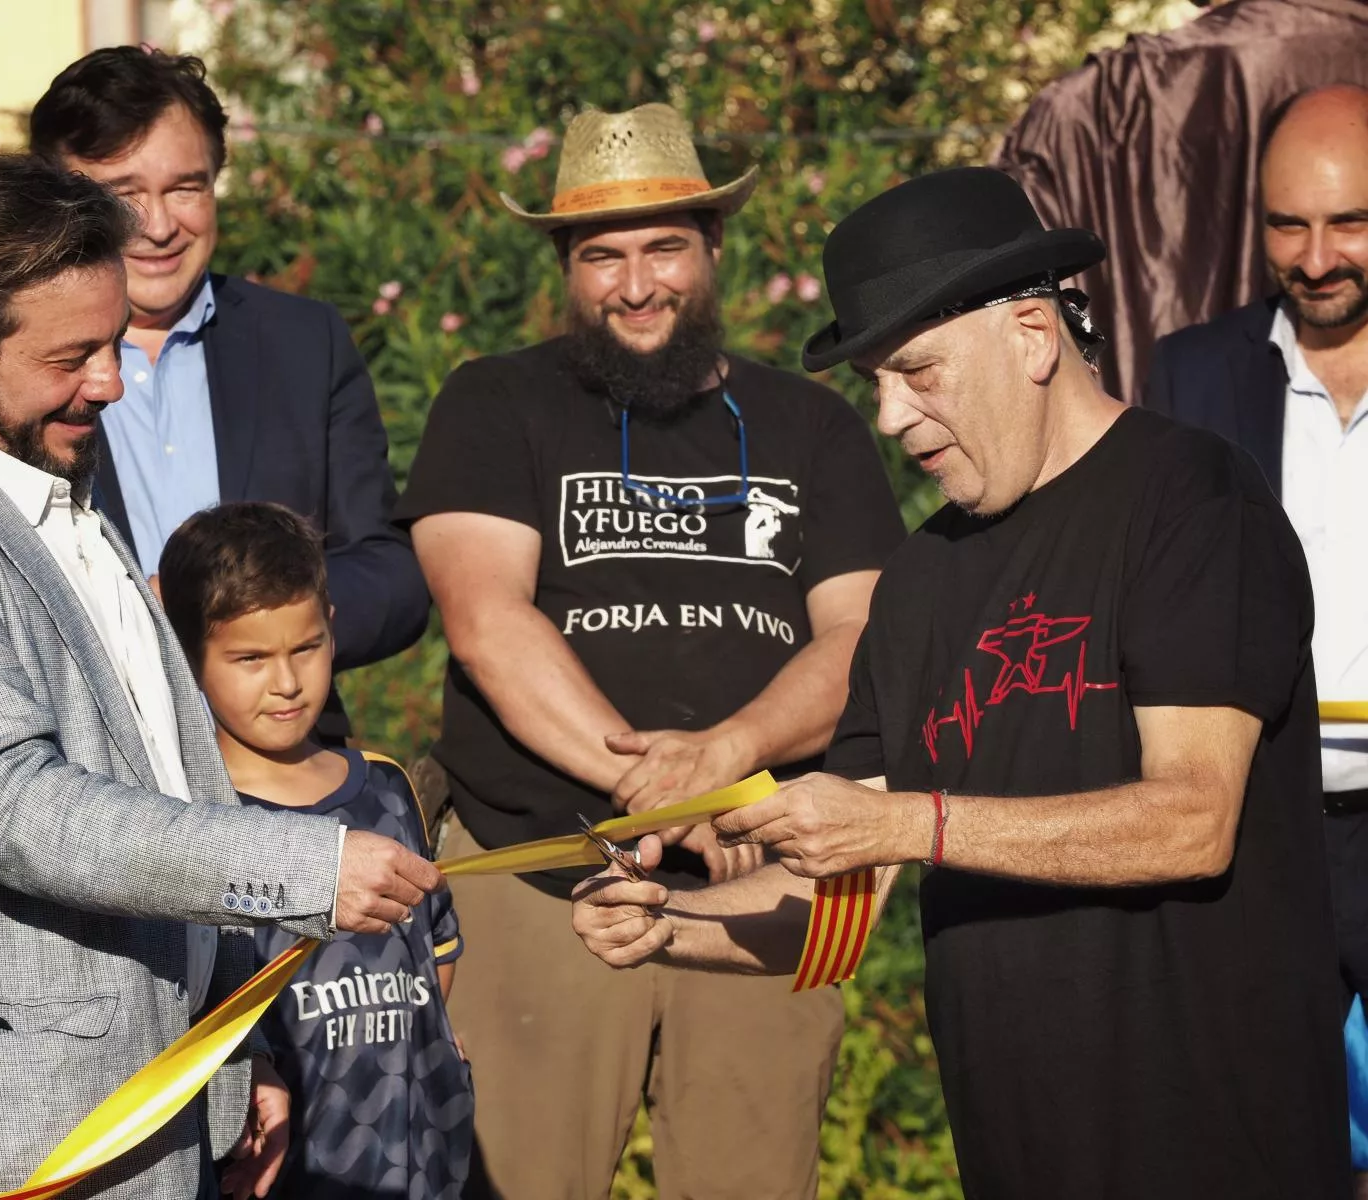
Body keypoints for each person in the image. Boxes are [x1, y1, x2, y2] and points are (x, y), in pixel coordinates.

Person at [572, 166, 1351, 1200]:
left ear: (1030, 334)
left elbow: (1190, 820)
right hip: (1014, 1150)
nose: (891, 418)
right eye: (876, 384)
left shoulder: (1194, 500)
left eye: (917, 371)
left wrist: (906, 827)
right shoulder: (920, 580)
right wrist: (667, 921)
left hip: (1213, 1139)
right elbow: (838, 902)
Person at [0, 154, 443, 1200]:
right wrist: (306, 866)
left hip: (156, 1093)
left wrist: (240, 1038)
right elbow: (16, 809)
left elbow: (157, 774)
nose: (109, 382)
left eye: (111, 346)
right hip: (19, 1131)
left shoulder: (49, 484)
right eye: (72, 357)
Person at [396, 103, 906, 1199]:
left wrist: (730, 759)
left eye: (665, 247)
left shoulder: (812, 426)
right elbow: (487, 624)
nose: (635, 286)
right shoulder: (495, 401)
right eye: (602, 257)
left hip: (764, 890)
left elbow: (865, 638)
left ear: (713, 251)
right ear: (564, 268)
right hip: (543, 884)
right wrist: (674, 796)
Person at [29, 46, 427, 739]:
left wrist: (278, 619)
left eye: (186, 187)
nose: (157, 226)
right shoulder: (16, 360)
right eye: (121, 196)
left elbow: (392, 576)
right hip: (101, 777)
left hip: (287, 780)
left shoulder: (305, 343)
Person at [1146, 81, 1368, 1175]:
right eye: (1288, 225)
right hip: (1255, 826)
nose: (1316, 255)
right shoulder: (1189, 375)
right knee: (1251, 1142)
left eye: (1348, 223)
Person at [157, 501, 473, 1200]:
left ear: (331, 625)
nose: (287, 682)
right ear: (187, 657)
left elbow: (435, 951)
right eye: (250, 658)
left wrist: (420, 1042)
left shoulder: (387, 789)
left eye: (305, 647)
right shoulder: (189, 825)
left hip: (414, 1158)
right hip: (282, 1169)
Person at [994, 0, 1368, 403]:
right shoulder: (1096, 107)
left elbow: (1017, 309)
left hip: (1148, 435)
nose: (1316, 264)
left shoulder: (1090, 108)